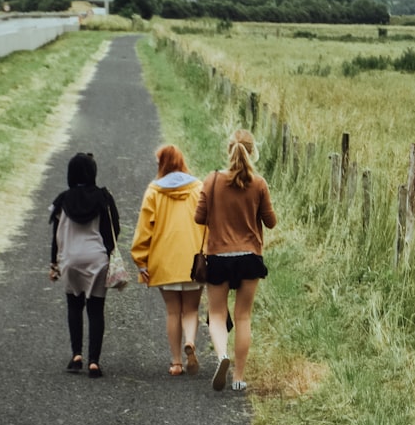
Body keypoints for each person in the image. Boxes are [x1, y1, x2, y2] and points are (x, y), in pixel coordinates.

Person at [195, 129, 277, 392]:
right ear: (252, 152)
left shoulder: (212, 180)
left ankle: (221, 356)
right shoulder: (259, 183)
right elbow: (271, 222)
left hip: (219, 256)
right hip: (250, 257)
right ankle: (239, 378)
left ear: (228, 149)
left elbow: (199, 217)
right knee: (243, 317)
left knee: (217, 315)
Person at [131, 145, 207, 377]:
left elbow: (145, 230)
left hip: (163, 262)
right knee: (191, 309)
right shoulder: (199, 188)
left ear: (162, 164)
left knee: (173, 311)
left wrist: (141, 261)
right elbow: (208, 225)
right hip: (194, 261)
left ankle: (176, 363)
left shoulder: (154, 192)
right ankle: (191, 343)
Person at [48, 152, 120, 379]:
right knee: (96, 310)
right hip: (96, 259)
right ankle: (94, 363)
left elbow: (55, 236)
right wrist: (109, 254)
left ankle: (77, 355)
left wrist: (54, 263)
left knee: (74, 305)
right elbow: (113, 229)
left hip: (70, 260)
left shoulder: (62, 200)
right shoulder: (103, 197)